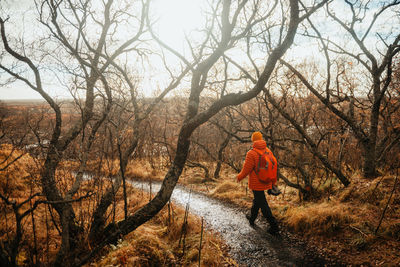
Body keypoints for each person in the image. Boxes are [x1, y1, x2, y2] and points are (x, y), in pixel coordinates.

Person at [237, 131, 279, 234]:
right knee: (257, 200)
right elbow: (273, 166)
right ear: (261, 139)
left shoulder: (251, 153)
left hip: (257, 183)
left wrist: (239, 177)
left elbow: (246, 169)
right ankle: (252, 218)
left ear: (253, 140)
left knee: (263, 204)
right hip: (267, 180)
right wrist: (273, 182)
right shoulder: (268, 150)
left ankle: (274, 226)